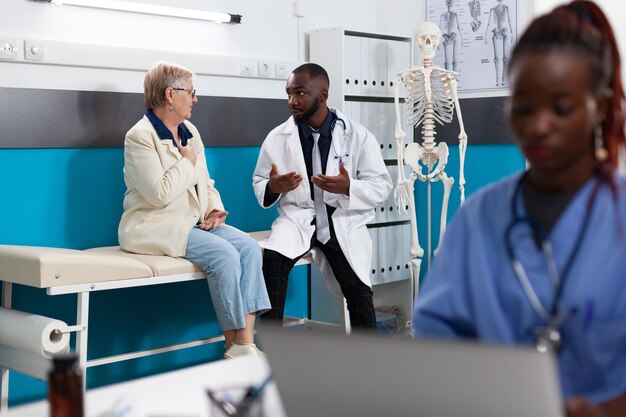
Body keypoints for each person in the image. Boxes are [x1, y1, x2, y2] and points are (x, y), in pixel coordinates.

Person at [413, 2, 626, 416]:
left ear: (598, 106)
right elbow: (438, 343)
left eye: (560, 107)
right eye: (523, 107)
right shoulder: (478, 220)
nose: (538, 125)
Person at [118, 61, 270, 359]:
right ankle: (233, 345)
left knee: (250, 248)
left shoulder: (190, 132)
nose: (195, 98)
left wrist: (214, 208)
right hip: (155, 224)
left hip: (193, 222)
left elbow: (205, 182)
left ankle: (245, 343)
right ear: (170, 94)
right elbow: (159, 193)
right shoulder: (139, 137)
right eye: (191, 91)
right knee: (224, 255)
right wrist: (186, 162)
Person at [252, 63, 392, 330]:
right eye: (289, 94)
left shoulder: (357, 135)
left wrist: (348, 187)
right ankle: (271, 348)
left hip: (341, 220)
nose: (292, 101)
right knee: (272, 262)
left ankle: (372, 361)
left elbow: (381, 185)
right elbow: (259, 182)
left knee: (359, 290)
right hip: (298, 218)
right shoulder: (277, 138)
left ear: (323, 96)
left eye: (301, 93)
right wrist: (273, 186)